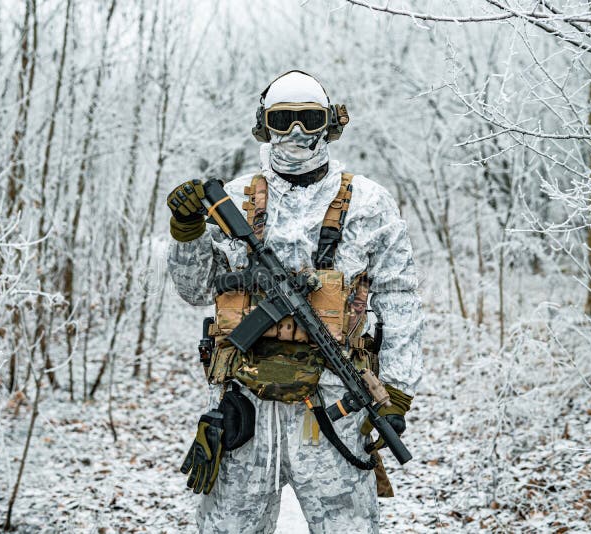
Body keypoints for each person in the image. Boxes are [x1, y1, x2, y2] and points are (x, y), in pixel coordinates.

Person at [166, 70, 424, 533]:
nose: (298, 133)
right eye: (283, 120)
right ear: (265, 126)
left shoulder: (369, 203)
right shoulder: (236, 200)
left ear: (329, 123)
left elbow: (400, 299)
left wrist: (397, 393)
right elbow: (193, 289)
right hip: (243, 406)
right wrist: (188, 232)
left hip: (333, 407)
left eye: (309, 119)